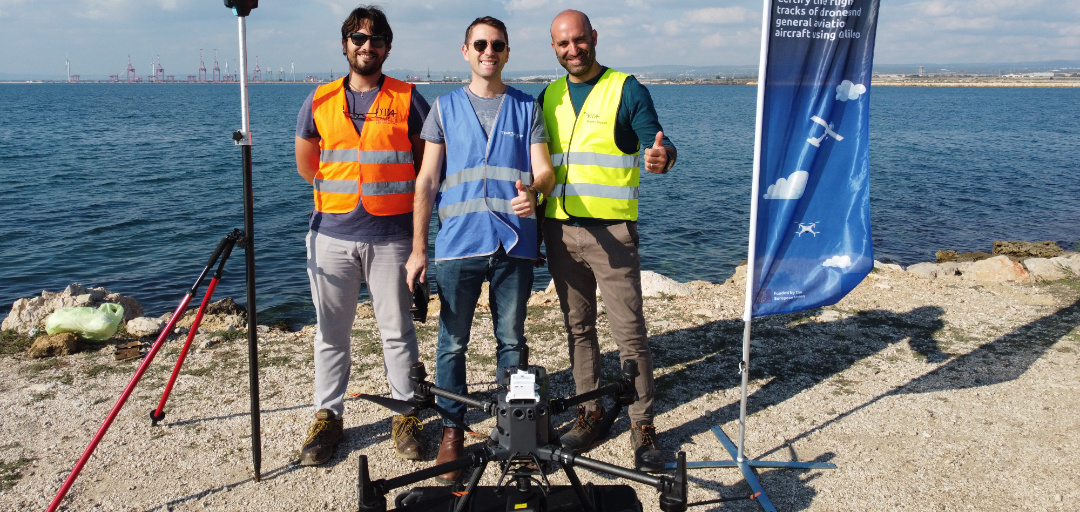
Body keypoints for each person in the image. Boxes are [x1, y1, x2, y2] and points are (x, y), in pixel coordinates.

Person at [406, 16, 555, 485]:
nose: (489, 51)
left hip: (514, 242)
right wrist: (417, 250)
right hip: (459, 244)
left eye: (498, 45)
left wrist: (535, 190)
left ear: (507, 52)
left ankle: (515, 430)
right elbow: (427, 180)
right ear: (466, 51)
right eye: (480, 44)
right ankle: (453, 430)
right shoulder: (444, 109)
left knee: (511, 340)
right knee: (452, 342)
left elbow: (545, 171)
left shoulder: (526, 107)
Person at [539, 9, 677, 473]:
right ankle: (591, 410)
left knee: (629, 334)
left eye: (579, 40)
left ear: (593, 37)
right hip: (559, 232)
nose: (573, 50)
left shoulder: (626, 87)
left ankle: (642, 425)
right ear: (553, 48)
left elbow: (655, 141)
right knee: (578, 328)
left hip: (612, 234)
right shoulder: (549, 96)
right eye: (563, 44)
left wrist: (662, 156)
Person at [293, 5, 430, 467]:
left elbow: (427, 167)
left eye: (375, 39)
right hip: (331, 235)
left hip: (391, 237)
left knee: (397, 331)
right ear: (344, 43)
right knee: (331, 333)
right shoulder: (319, 100)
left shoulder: (409, 99)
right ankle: (328, 414)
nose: (366, 46)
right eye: (357, 38)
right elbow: (307, 166)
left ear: (387, 47)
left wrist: (417, 242)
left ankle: (406, 412)